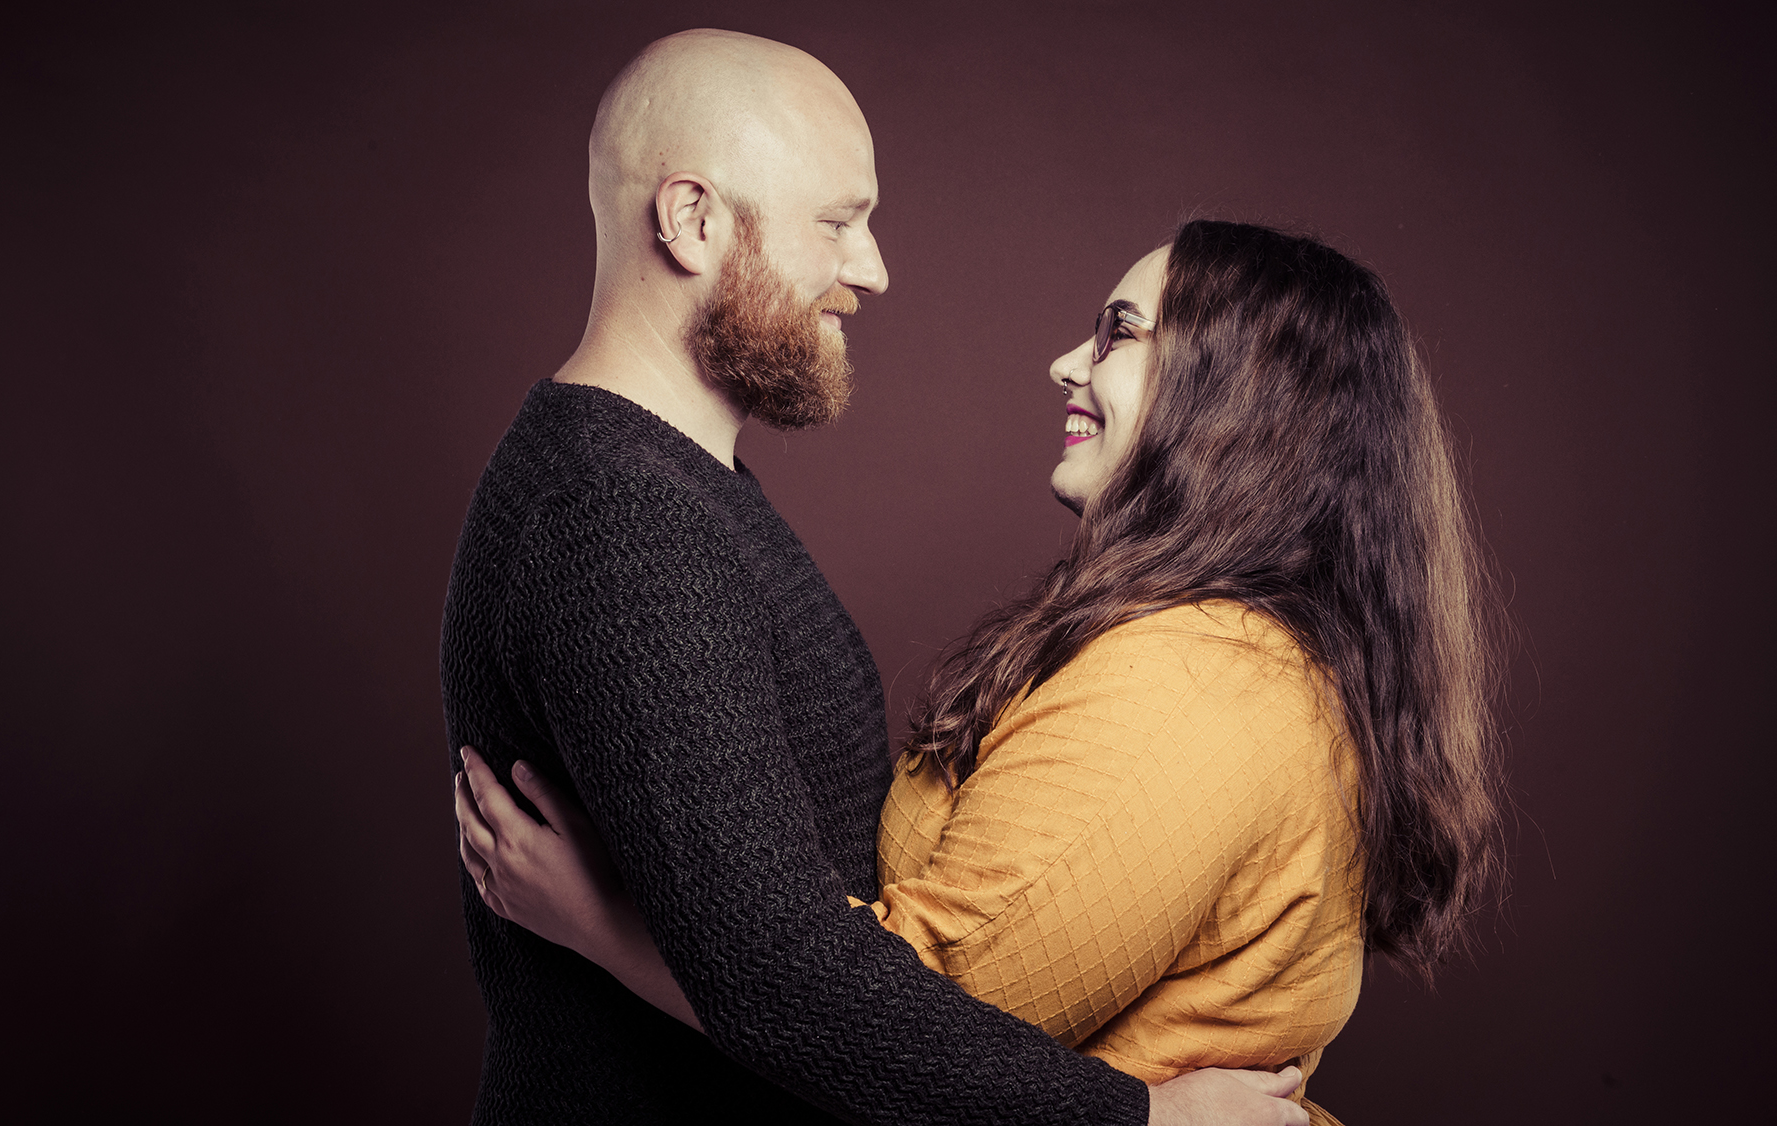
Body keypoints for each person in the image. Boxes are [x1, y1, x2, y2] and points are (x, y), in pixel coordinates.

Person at [441, 26, 1308, 1126]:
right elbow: (776, 974)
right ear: (692, 220)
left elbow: (778, 934)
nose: (873, 268)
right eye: (838, 222)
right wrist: (1139, 1120)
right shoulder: (615, 517)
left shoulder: (675, 486)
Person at [456, 219, 1503, 1125]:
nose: (1063, 362)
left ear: (1242, 400)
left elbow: (914, 1016)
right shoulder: (1190, 651)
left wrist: (603, 926)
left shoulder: (1194, 687)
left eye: (1120, 332)